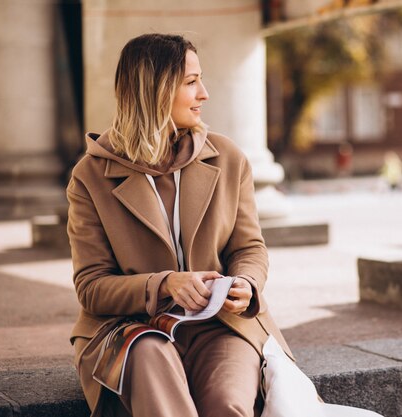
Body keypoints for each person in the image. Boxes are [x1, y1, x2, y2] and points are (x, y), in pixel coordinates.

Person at [67, 33, 292, 417]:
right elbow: (91, 288)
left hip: (222, 325)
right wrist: (165, 283)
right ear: (153, 90)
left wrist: (246, 283)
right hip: (131, 328)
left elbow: (248, 248)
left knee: (227, 405)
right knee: (154, 368)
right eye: (191, 82)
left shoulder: (228, 159)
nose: (204, 93)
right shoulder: (90, 177)